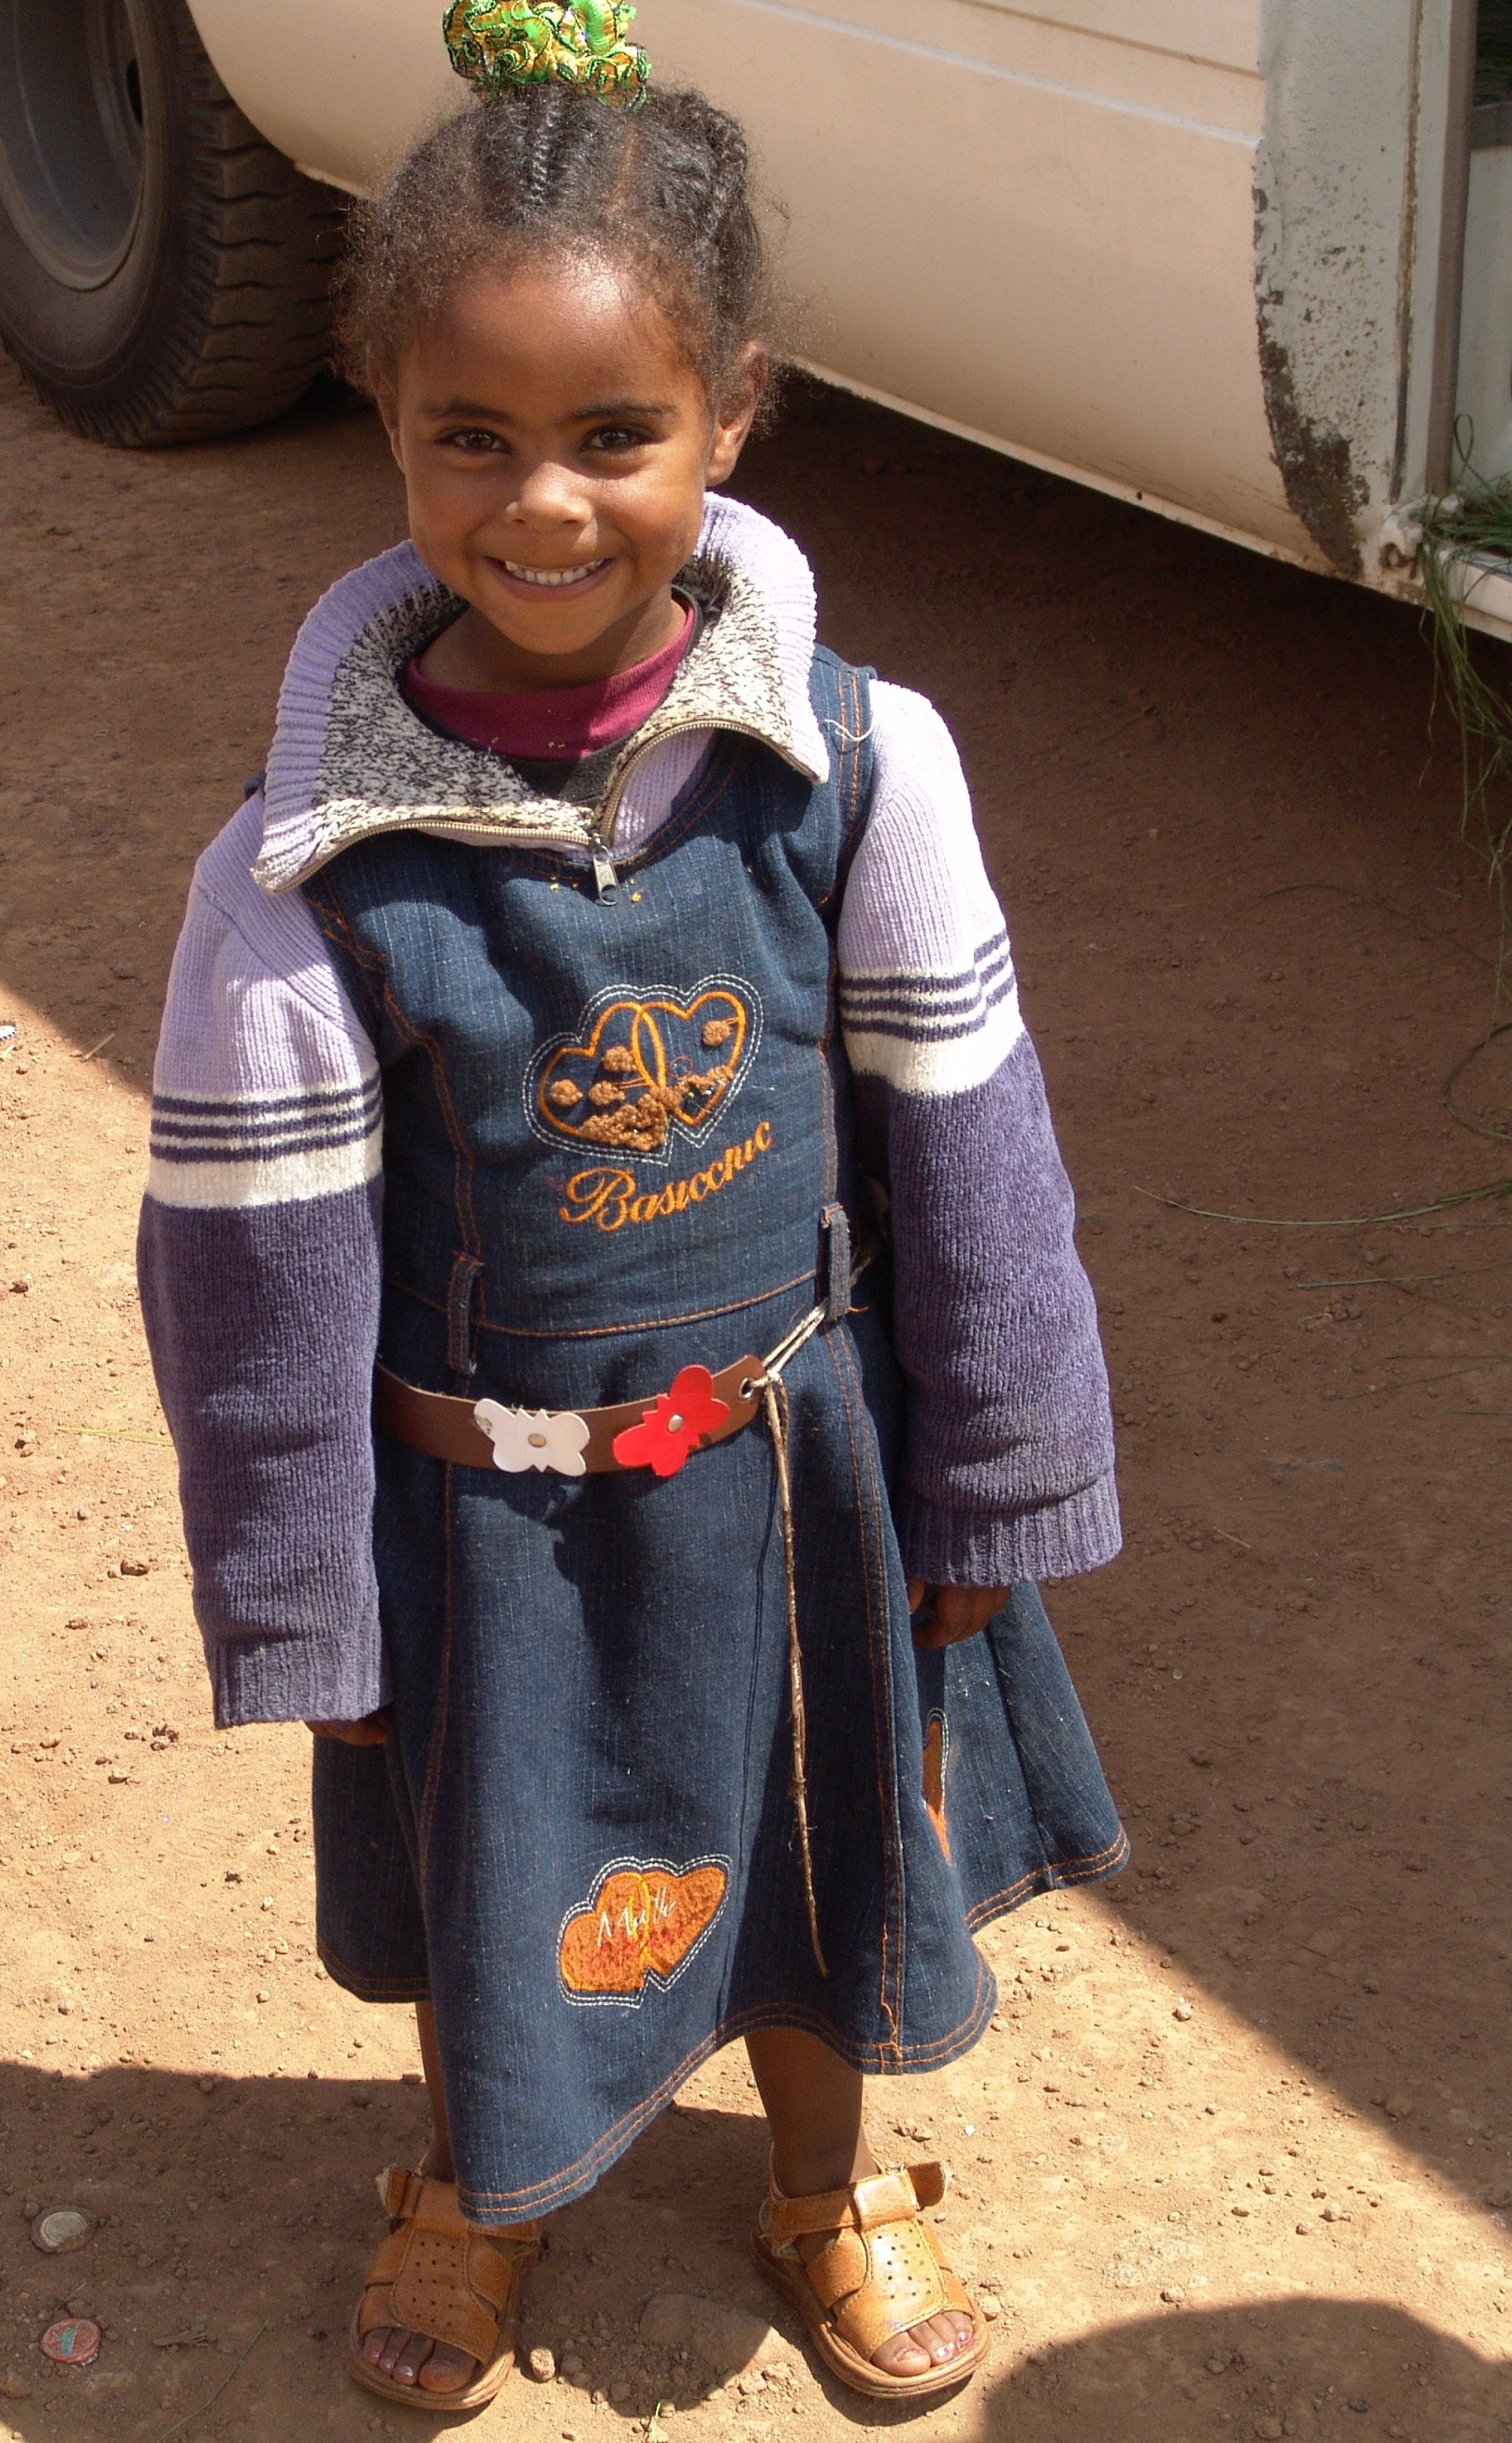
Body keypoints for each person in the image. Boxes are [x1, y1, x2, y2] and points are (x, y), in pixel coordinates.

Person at [138, 0, 1125, 2413]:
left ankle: (826, 2179)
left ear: (732, 416)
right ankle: (480, 2186)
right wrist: (304, 1593)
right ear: (386, 415)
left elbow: (971, 1141)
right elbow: (253, 1282)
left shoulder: (863, 767)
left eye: (614, 434)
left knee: (818, 1842)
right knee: (495, 1864)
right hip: (484, 1517)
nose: (544, 506)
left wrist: (998, 1473)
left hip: (802, 1469)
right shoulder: (304, 869)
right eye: (468, 437)